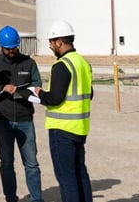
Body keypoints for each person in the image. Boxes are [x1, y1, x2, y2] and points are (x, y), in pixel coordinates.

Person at [30, 20, 93, 202]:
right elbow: (90, 94)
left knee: (66, 178)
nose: (50, 46)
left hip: (62, 129)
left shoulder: (62, 65)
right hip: (80, 128)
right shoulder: (83, 63)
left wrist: (40, 93)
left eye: (51, 42)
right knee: (80, 173)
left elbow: (55, 98)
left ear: (59, 42)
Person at [0, 25, 44, 202]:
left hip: (25, 120)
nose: (11, 51)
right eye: (7, 48)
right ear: (1, 46)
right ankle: (10, 198)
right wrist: (2, 88)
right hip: (3, 120)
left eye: (14, 47)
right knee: (7, 163)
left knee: (32, 164)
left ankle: (36, 199)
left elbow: (37, 85)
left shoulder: (29, 63)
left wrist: (25, 90)